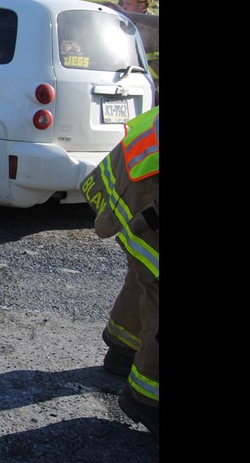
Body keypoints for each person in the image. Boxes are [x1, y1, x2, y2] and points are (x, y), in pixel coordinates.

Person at [79, 105, 159, 438]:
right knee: (154, 277)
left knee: (146, 270)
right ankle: (148, 399)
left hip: (135, 173)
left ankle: (123, 350)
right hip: (144, 187)